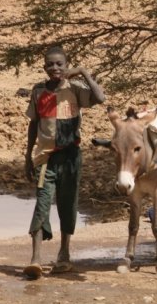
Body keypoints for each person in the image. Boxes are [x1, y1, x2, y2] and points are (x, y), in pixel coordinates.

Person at [23, 46, 106, 279]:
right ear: (44, 67)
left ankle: (64, 254)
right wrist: (28, 157)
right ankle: (36, 259)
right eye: (50, 64)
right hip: (45, 158)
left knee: (68, 205)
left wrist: (83, 72)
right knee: (42, 203)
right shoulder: (38, 91)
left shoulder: (76, 89)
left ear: (67, 65)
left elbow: (99, 98)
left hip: (70, 157)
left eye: (60, 64)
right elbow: (33, 124)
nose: (55, 68)